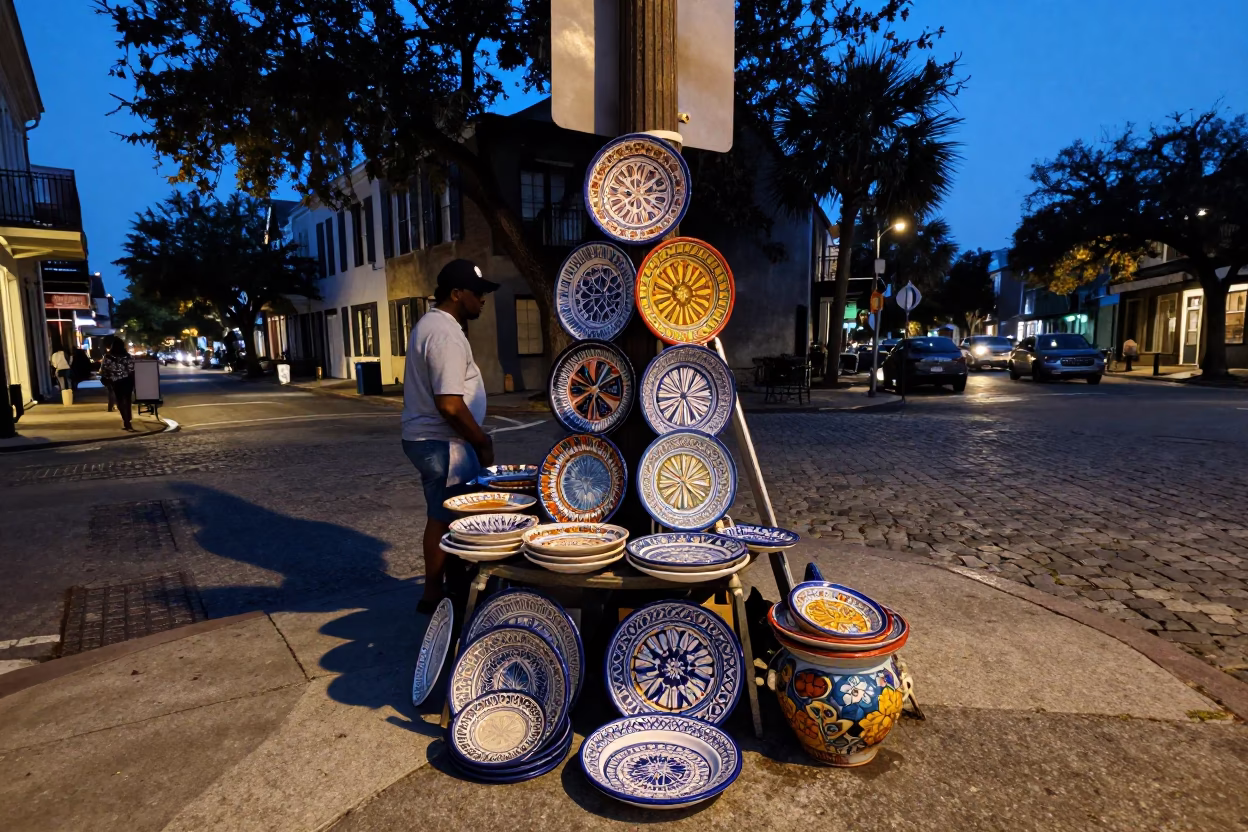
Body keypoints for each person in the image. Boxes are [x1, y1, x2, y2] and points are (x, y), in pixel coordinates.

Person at [401, 259, 499, 613]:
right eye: (478, 293)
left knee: (442, 514)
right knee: (449, 517)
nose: (483, 299)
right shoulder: (444, 333)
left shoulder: (434, 325)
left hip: (437, 440)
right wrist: (481, 442)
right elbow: (450, 405)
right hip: (443, 443)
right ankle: (445, 594)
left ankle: (440, 591)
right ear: (457, 294)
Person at [100, 341, 136, 431]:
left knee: (120, 401)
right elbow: (132, 368)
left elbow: (104, 369)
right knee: (127, 401)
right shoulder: (128, 356)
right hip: (128, 380)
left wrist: (108, 377)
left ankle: (126, 421)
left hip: (116, 381)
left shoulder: (108, 357)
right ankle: (128, 420)